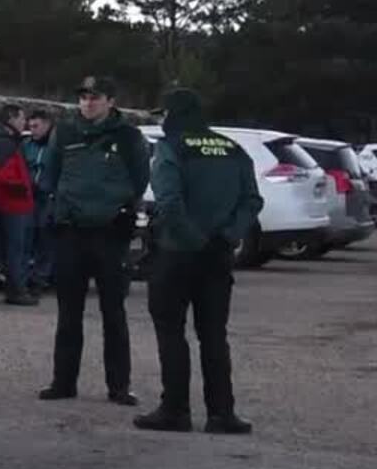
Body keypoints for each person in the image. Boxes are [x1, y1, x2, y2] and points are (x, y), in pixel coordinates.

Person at [135, 89, 261, 435]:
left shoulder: (171, 148)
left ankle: (175, 410)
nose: (161, 121)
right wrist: (228, 237)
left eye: (163, 114)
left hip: (176, 253)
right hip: (218, 255)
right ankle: (222, 414)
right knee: (214, 336)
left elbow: (169, 201)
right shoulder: (232, 149)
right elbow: (252, 201)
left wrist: (192, 241)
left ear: (174, 114)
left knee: (172, 333)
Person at [38, 75, 149, 406]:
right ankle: (63, 382)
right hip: (71, 231)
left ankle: (118, 386)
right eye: (84, 97)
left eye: (95, 97)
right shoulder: (66, 131)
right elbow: (50, 175)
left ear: (110, 101)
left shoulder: (128, 137)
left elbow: (140, 178)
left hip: (110, 232)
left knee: (113, 312)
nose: (87, 102)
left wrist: (116, 207)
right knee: (68, 313)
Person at [0, 103, 40, 306]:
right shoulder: (4, 144)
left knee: (15, 248)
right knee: (16, 249)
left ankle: (16, 287)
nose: (24, 123)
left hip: (13, 203)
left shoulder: (1, 141)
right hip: (13, 204)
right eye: (22, 118)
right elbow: (0, 175)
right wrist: (25, 187)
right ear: (11, 119)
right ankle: (17, 289)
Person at [23, 109, 57, 289]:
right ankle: (29, 272)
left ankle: (41, 275)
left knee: (45, 236)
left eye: (36, 126)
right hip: (30, 196)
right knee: (30, 235)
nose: (33, 130)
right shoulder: (27, 145)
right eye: (30, 127)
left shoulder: (56, 146)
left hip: (49, 196)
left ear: (47, 124)